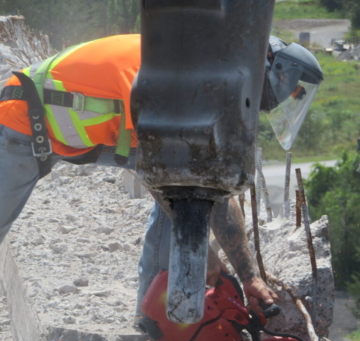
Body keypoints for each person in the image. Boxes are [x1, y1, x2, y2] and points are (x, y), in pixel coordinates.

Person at [0, 34, 323, 317]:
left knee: (192, 197)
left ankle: (152, 320)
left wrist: (249, 274)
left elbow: (214, 193)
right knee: (183, 205)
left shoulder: (203, 80)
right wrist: (199, 253)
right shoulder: (180, 88)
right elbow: (165, 183)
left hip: (90, 128)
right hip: (24, 117)